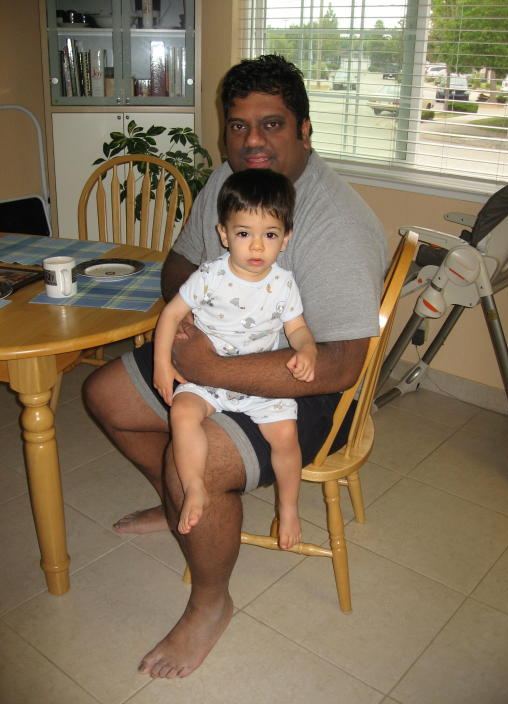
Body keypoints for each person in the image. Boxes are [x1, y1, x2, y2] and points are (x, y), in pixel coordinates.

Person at [83, 54, 387, 680]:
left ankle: (210, 602)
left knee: (194, 460)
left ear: (305, 131)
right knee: (104, 395)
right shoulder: (231, 181)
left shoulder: (336, 224)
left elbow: (340, 366)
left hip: (306, 383)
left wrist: (209, 366)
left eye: (272, 124)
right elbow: (181, 263)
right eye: (239, 126)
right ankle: (181, 506)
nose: (253, 141)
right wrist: (188, 329)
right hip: (215, 349)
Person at [153, 168, 316, 548]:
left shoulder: (283, 283)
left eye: (269, 235)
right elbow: (171, 315)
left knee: (286, 436)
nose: (257, 247)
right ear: (224, 234)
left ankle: (288, 507)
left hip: (258, 381)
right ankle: (194, 486)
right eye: (244, 234)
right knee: (182, 414)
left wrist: (307, 348)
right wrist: (163, 363)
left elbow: (297, 328)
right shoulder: (209, 275)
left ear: (286, 238)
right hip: (206, 377)